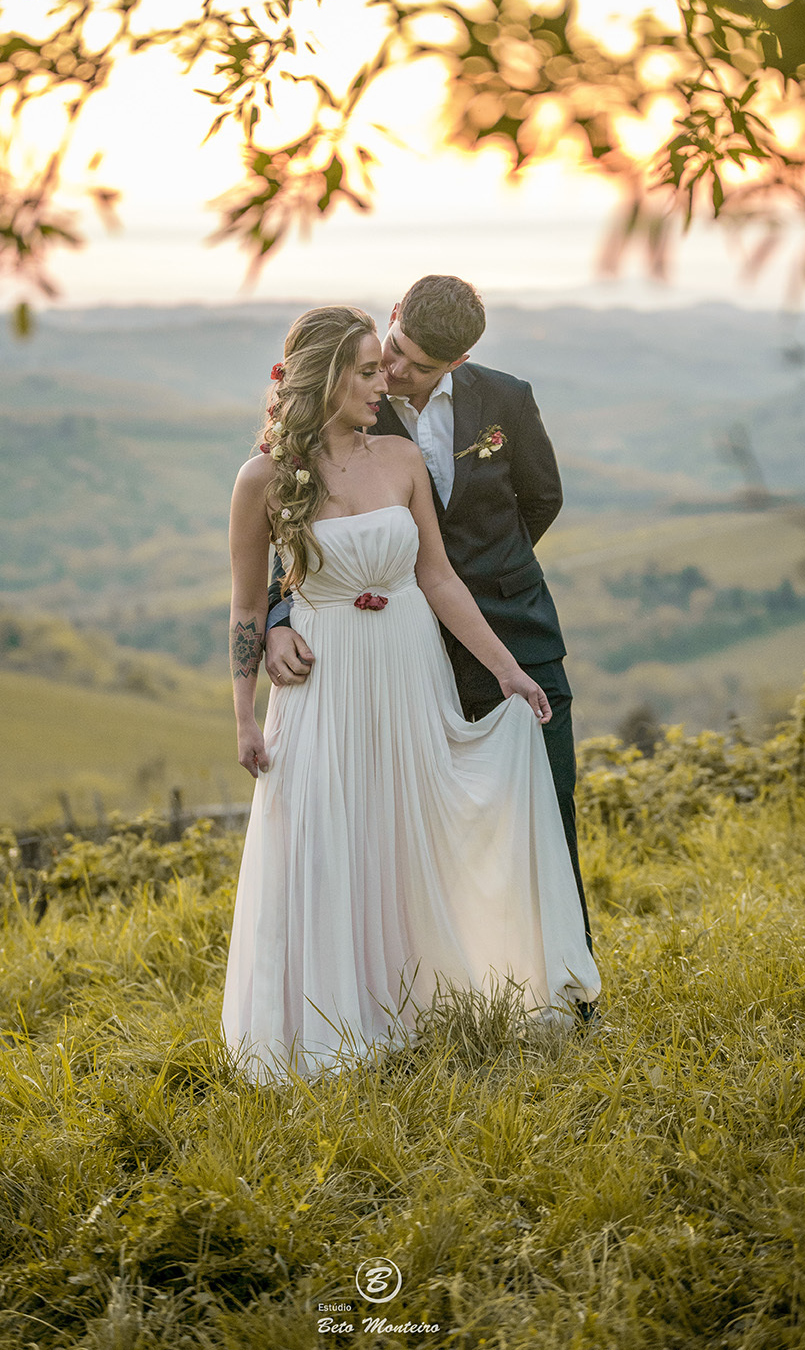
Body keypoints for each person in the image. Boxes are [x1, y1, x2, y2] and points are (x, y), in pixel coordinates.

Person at [222, 304, 599, 1080]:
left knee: (405, 830)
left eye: (385, 366)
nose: (384, 379)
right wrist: (245, 708)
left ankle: (435, 996)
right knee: (327, 839)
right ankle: (330, 1019)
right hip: (325, 683)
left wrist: (507, 668)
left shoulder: (399, 457)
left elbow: (438, 575)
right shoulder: (262, 478)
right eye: (367, 369)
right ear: (329, 377)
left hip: (407, 666)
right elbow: (248, 601)